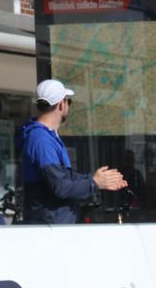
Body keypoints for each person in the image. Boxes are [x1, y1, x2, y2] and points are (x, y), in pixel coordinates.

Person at [19, 79, 126, 224]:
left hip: (53, 225)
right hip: (50, 229)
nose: (68, 105)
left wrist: (94, 180)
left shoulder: (45, 137)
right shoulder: (41, 140)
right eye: (68, 101)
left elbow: (63, 178)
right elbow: (60, 186)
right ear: (62, 104)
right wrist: (94, 183)